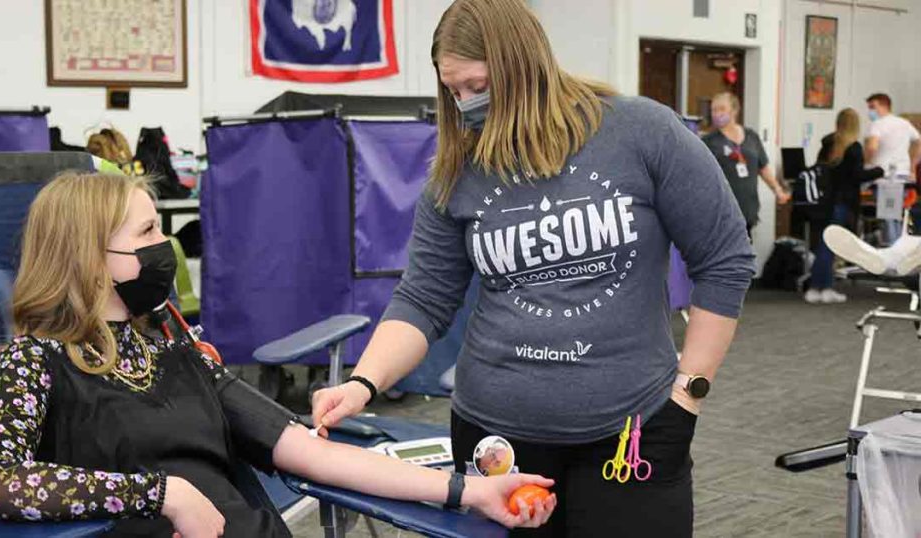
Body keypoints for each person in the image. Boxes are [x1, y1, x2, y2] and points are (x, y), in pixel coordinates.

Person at [310, 1, 756, 536]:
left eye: (477, 85)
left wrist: (688, 397)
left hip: (632, 432)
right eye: (453, 90)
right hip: (495, 440)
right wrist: (362, 383)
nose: (466, 103)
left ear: (525, 66)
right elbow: (424, 298)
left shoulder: (640, 132)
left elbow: (725, 259)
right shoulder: (458, 168)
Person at [0, 172, 558, 537]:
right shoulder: (36, 362)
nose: (165, 247)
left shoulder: (180, 356)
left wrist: (467, 490)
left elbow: (317, 457)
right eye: (146, 233)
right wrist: (163, 494)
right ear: (87, 258)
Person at [803, 108, 884, 304]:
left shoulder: (829, 145)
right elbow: (856, 176)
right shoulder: (854, 148)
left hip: (826, 201)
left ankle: (816, 287)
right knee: (830, 247)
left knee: (824, 245)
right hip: (844, 203)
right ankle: (825, 288)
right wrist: (879, 171)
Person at [702, 92, 791, 237]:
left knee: (744, 254)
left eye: (721, 109)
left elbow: (763, 168)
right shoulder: (709, 141)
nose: (716, 114)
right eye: (713, 110)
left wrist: (777, 190)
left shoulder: (751, 137)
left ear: (734, 110)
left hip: (747, 210)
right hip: (721, 214)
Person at [864, 93, 921, 243]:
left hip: (885, 179)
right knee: (897, 216)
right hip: (903, 177)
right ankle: (899, 247)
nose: (870, 111)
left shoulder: (877, 125)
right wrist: (913, 166)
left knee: (887, 217)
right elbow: (918, 141)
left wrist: (867, 163)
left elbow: (871, 147)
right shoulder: (904, 123)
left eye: (872, 107)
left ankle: (893, 251)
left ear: (884, 105)